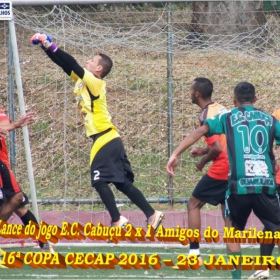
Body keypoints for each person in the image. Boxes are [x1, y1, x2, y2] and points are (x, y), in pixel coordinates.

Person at [30, 33, 164, 230]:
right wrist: (45, 47)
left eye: (91, 61)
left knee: (99, 181)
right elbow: (65, 65)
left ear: (99, 68)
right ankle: (152, 214)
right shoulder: (85, 80)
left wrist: (51, 43)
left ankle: (117, 220)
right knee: (121, 183)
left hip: (105, 138)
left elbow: (72, 63)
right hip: (109, 137)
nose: (87, 62)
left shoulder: (95, 81)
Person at [167, 82, 280, 280]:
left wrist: (175, 153)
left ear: (234, 100)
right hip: (265, 185)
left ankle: (236, 277)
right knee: (275, 228)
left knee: (233, 231)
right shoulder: (270, 120)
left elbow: (200, 131)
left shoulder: (227, 117)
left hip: (238, 186)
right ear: (255, 99)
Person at [172, 78, 240, 278]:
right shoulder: (221, 108)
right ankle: (235, 270)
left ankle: (194, 255)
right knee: (227, 215)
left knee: (193, 204)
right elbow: (222, 142)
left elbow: (218, 148)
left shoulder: (205, 115)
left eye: (189, 89)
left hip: (222, 168)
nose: (188, 92)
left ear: (197, 94)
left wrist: (203, 162)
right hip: (236, 166)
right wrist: (203, 151)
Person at [0, 110, 54, 255]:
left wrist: (15, 125)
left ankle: (43, 244)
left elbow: (4, 125)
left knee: (19, 204)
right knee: (16, 199)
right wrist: (17, 124)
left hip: (3, 164)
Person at [248, 108, 280, 280]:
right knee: (272, 224)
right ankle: (263, 267)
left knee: (274, 224)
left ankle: (263, 267)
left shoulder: (274, 117)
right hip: (276, 179)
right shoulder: (275, 116)